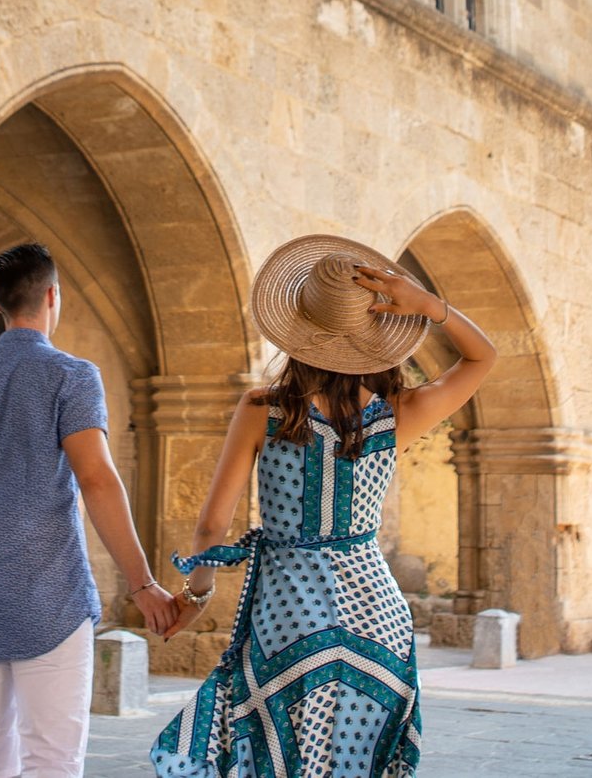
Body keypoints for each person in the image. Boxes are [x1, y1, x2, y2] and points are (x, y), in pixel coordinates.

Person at [149, 234, 499, 777]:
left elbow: (213, 524)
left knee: (280, 757)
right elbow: (482, 357)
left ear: (297, 332)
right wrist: (430, 307)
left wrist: (197, 596)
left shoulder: (263, 410)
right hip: (376, 617)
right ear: (378, 336)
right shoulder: (397, 415)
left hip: (288, 612)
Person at [0, 242, 178, 778]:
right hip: (51, 602)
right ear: (53, 297)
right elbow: (97, 480)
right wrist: (142, 583)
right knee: (53, 762)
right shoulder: (71, 376)